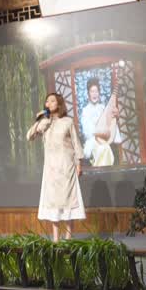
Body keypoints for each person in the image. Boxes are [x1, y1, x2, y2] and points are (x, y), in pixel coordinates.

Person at [26, 92, 85, 242]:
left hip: (66, 167)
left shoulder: (68, 122)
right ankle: (56, 239)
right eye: (47, 101)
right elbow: (29, 136)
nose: (49, 103)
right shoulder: (45, 123)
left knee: (68, 201)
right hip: (51, 169)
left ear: (59, 104)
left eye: (52, 101)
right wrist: (40, 120)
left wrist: (79, 163)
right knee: (53, 203)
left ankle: (68, 238)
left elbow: (76, 143)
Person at [80, 78, 120, 167]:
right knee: (102, 148)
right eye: (92, 91)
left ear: (99, 93)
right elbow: (88, 132)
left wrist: (116, 117)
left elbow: (110, 125)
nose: (94, 94)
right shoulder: (85, 111)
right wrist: (99, 134)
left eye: (96, 91)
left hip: (105, 139)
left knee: (106, 148)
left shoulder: (103, 108)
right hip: (92, 141)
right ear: (88, 94)